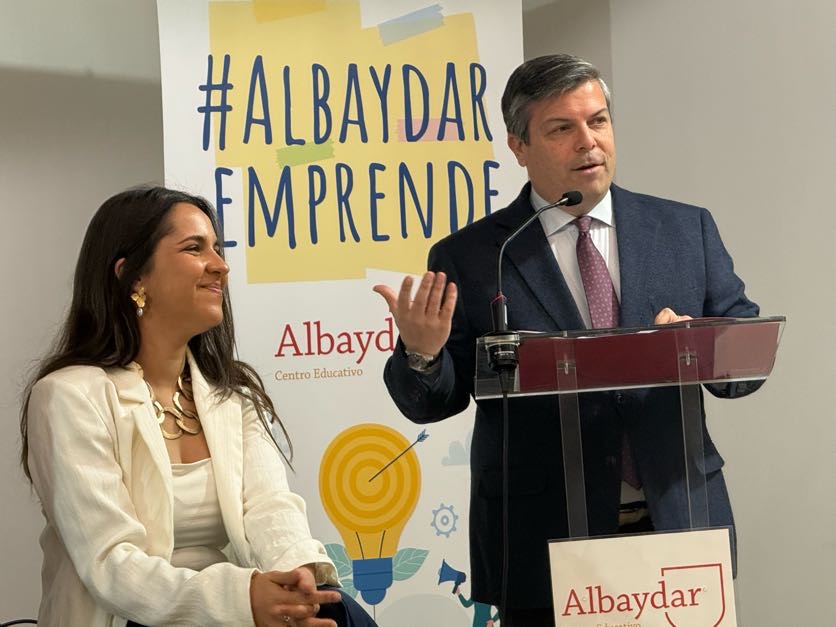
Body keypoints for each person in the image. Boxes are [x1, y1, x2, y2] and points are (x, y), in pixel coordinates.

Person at [373, 54, 760, 625]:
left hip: (678, 522)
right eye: (562, 128)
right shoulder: (474, 256)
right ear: (519, 147)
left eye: (598, 121)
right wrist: (422, 352)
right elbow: (434, 400)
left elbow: (745, 359)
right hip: (543, 541)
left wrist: (698, 344)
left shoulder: (684, 229)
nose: (588, 142)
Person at [20, 187, 377, 627]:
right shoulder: (68, 396)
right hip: (129, 618)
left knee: (339, 612)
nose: (221, 266)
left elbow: (270, 509)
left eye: (218, 248)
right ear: (133, 277)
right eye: (194, 248)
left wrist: (299, 582)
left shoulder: (233, 395)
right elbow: (111, 563)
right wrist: (244, 599)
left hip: (228, 614)